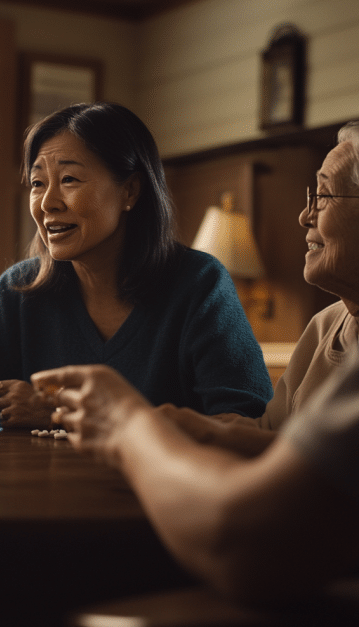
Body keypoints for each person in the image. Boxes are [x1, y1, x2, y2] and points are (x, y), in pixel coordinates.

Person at [0, 102, 273, 428]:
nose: (48, 203)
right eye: (38, 183)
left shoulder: (200, 284)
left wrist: (61, 411)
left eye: (69, 179)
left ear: (130, 191)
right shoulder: (21, 289)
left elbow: (246, 424)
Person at [30, 354, 359, 602]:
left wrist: (124, 424)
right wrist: (223, 435)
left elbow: (245, 539)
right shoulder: (327, 321)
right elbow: (323, 462)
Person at [130, 119, 359, 456]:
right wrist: (178, 424)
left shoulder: (201, 281)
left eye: (324, 195)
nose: (304, 216)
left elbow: (310, 469)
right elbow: (269, 435)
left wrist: (128, 418)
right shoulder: (325, 324)